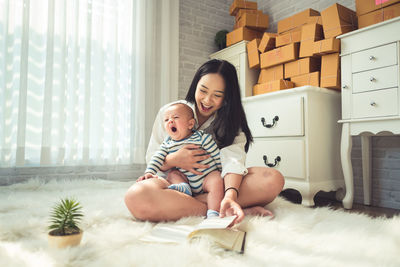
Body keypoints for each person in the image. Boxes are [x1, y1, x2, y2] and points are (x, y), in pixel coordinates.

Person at [125, 59, 285, 225]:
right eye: (203, 91)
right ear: (195, 86)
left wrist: (230, 196)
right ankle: (217, 210)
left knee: (272, 178)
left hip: (214, 184)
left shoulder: (231, 123)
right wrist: (175, 160)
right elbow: (153, 156)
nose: (207, 100)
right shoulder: (171, 113)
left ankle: (211, 205)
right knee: (136, 196)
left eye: (217, 95)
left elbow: (232, 162)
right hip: (175, 186)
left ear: (227, 98)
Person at [138, 102, 224, 218]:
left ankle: (214, 212)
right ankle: (183, 186)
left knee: (216, 179)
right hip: (186, 180)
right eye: (166, 120)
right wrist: (149, 172)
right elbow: (157, 157)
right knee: (173, 174)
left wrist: (221, 170)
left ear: (190, 124)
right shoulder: (167, 143)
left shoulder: (201, 137)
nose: (170, 121)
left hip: (206, 178)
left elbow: (216, 154)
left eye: (176, 117)